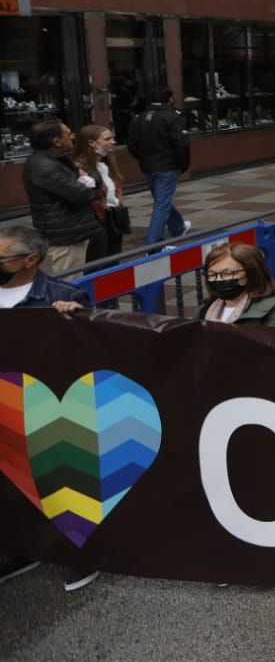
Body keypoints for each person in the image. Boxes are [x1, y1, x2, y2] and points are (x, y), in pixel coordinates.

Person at [0, 224, 99, 593]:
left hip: (45, 404)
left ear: (30, 259)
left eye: (2, 258)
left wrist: (74, 322)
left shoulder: (62, 295)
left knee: (60, 479)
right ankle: (22, 549)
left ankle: (81, 554)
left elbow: (92, 351)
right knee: (10, 483)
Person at [22, 120, 101, 274]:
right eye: (68, 134)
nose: (73, 136)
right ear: (57, 141)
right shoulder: (45, 166)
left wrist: (88, 179)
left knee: (84, 277)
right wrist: (88, 180)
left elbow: (91, 181)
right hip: (66, 235)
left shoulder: (56, 160)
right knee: (71, 281)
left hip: (73, 229)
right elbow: (83, 194)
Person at [126, 85, 191, 245]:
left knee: (161, 200)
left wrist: (142, 157)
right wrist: (183, 165)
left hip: (147, 166)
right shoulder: (173, 117)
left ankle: (177, 227)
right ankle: (154, 242)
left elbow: (132, 144)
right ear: (170, 99)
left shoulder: (139, 118)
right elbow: (181, 144)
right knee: (161, 203)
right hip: (167, 165)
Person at [197, 242, 275, 327]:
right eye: (212, 274)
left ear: (251, 273)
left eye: (228, 273)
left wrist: (231, 336)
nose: (219, 279)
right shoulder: (204, 310)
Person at [72, 124, 127, 263]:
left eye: (112, 138)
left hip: (113, 216)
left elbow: (116, 188)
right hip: (97, 219)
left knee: (113, 259)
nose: (113, 142)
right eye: (107, 139)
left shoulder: (106, 163)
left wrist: (119, 201)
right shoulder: (79, 167)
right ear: (91, 142)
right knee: (97, 261)